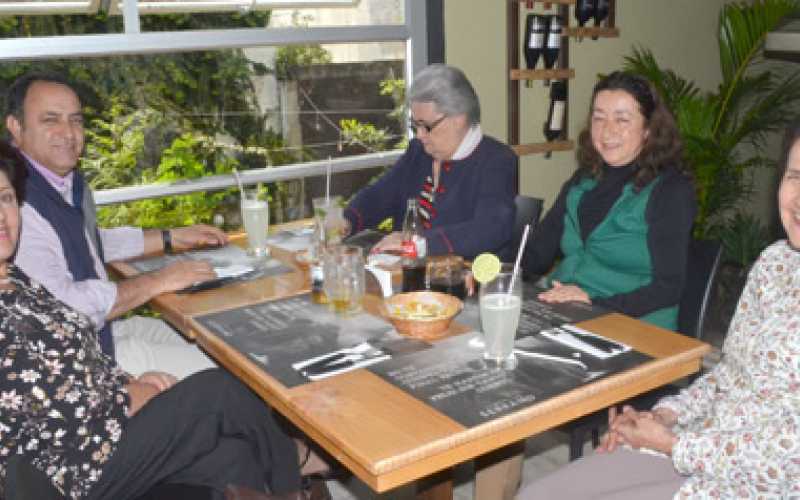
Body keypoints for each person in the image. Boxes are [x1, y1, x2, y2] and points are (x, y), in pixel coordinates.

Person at [0, 140, 330, 500]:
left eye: (5, 198)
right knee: (217, 392)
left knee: (230, 456)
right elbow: (32, 403)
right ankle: (293, 478)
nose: (1, 215)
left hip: (97, 429)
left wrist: (128, 380)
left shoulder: (14, 278)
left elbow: (72, 352)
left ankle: (282, 479)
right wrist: (124, 399)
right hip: (65, 471)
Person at [516, 121, 800, 499]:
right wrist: (665, 415)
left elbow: (789, 457)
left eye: (621, 118)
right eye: (795, 176)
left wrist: (671, 444)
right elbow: (729, 374)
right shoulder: (776, 262)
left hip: (758, 482)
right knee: (538, 495)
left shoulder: (669, 192)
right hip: (703, 441)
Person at [6, 72, 227, 378]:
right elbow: (69, 309)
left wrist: (170, 237)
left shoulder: (59, 181)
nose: (68, 133)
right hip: (81, 363)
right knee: (225, 374)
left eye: (75, 120)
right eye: (50, 120)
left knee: (215, 341)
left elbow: (86, 242)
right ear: (16, 127)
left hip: (103, 331)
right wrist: (157, 281)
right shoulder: (16, 204)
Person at [522, 71, 696, 331]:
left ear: (648, 129)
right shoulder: (583, 180)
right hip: (566, 312)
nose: (607, 130)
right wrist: (493, 273)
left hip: (635, 326)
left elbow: (668, 288)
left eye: (622, 119)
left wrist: (593, 304)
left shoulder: (671, 191)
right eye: (599, 118)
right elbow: (538, 252)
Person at [343, 63, 517, 260]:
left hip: (464, 275)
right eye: (414, 125)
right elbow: (382, 194)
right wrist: (347, 221)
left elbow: (490, 229)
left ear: (458, 119)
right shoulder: (418, 151)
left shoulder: (496, 160)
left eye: (425, 126)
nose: (419, 135)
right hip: (407, 270)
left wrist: (417, 244)